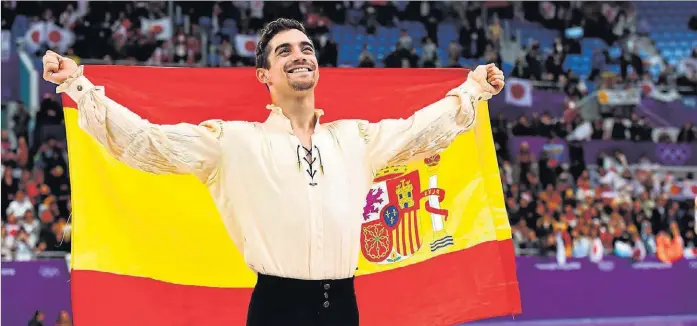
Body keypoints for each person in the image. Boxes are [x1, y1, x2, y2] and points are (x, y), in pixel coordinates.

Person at [42, 18, 504, 326]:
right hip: (275, 309)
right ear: (264, 74)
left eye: (305, 48)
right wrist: (77, 85)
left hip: (344, 307)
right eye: (283, 51)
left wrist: (473, 90)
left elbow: (421, 130)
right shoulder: (232, 142)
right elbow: (146, 142)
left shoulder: (356, 139)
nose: (299, 55)